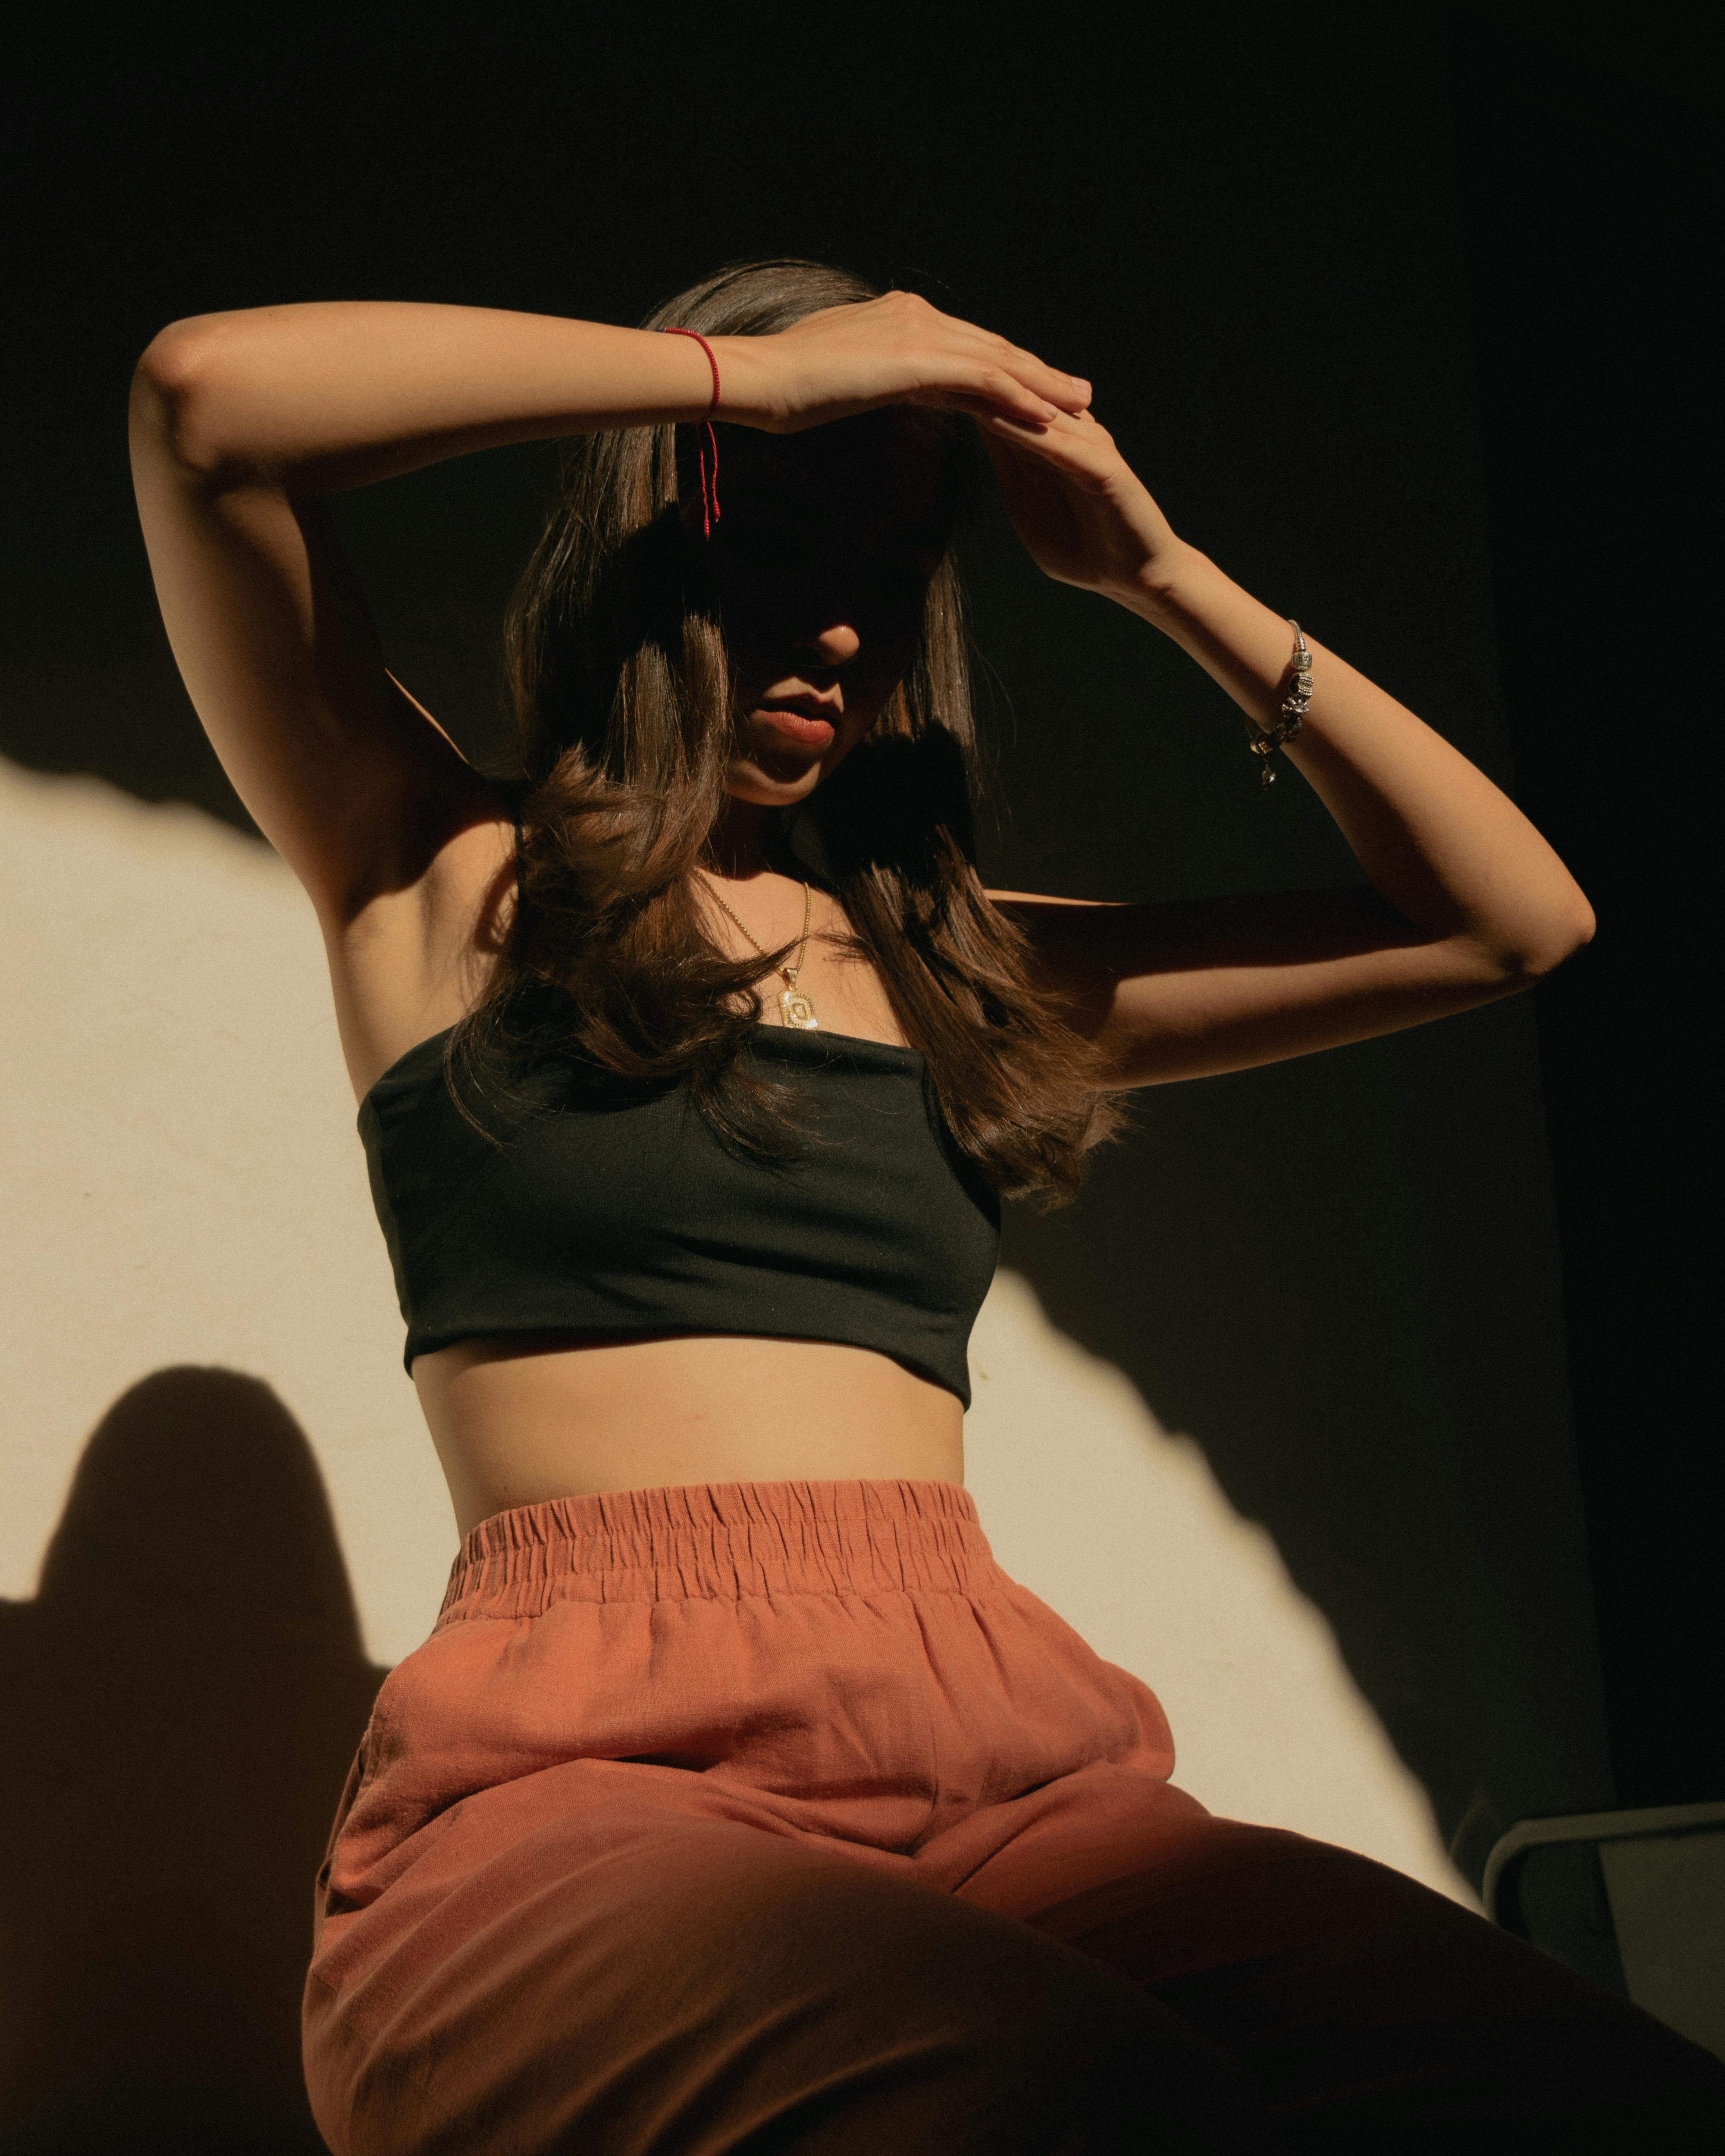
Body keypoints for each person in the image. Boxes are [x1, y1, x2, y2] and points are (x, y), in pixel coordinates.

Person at [128, 257, 1725, 2153]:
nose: (831, 630)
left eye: (886, 579)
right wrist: (750, 381)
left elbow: (1510, 920)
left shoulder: (970, 979)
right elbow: (204, 403)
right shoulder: (437, 874)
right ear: (670, 532)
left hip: (1016, 1785)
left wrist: (1156, 573)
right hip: (581, 1797)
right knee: (1071, 2095)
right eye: (784, 545)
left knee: (1600, 2092)